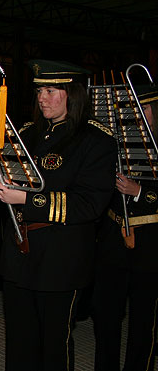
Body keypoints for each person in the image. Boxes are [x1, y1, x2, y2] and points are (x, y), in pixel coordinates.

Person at [0, 59, 117, 371]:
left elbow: (89, 204)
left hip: (62, 256)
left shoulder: (96, 140)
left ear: (72, 95)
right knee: (19, 341)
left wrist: (26, 198)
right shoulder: (27, 133)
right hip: (20, 252)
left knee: (54, 346)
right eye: (38, 91)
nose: (41, 98)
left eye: (50, 90)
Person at [92, 83, 158, 371]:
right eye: (134, 109)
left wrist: (139, 191)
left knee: (145, 319)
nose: (138, 115)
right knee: (105, 314)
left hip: (151, 242)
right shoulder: (116, 142)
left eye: (145, 109)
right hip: (112, 238)